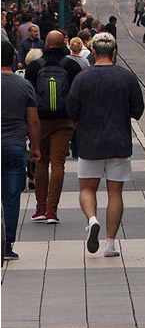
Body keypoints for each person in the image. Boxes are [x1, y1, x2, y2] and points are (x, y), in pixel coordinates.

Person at [66, 32, 144, 257]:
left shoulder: (82, 78)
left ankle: (92, 220)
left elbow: (71, 110)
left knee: (87, 188)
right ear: (115, 52)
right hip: (119, 143)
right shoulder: (126, 77)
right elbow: (137, 111)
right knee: (115, 193)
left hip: (89, 142)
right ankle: (110, 244)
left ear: (93, 52)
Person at [24, 31, 84, 224]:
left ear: (46, 44)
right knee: (58, 164)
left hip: (40, 122)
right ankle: (52, 211)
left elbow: (29, 97)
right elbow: (76, 96)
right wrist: (74, 120)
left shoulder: (35, 66)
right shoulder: (72, 66)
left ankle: (40, 208)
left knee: (40, 161)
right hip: (64, 122)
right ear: (63, 43)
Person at [2, 41, 42, 260]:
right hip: (15, 146)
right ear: (13, 58)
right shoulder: (24, 85)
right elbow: (33, 120)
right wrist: (35, 147)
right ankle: (7, 246)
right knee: (11, 198)